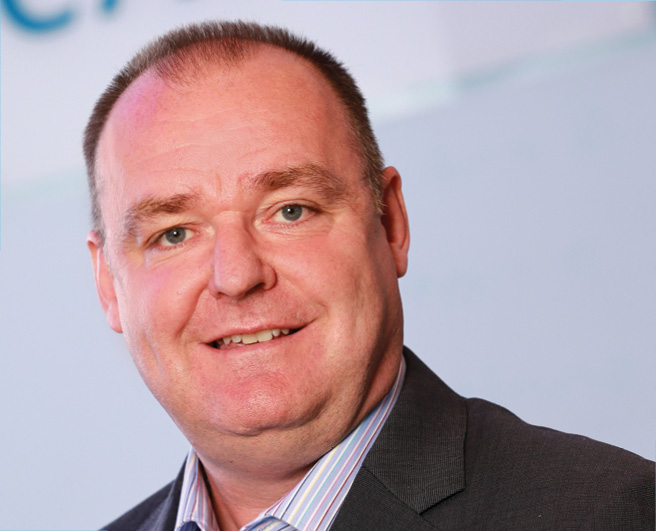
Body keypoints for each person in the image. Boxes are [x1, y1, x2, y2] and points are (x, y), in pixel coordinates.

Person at [84, 21, 654, 531]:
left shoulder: (608, 513)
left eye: (291, 210)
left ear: (390, 223)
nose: (236, 276)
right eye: (174, 234)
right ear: (108, 284)